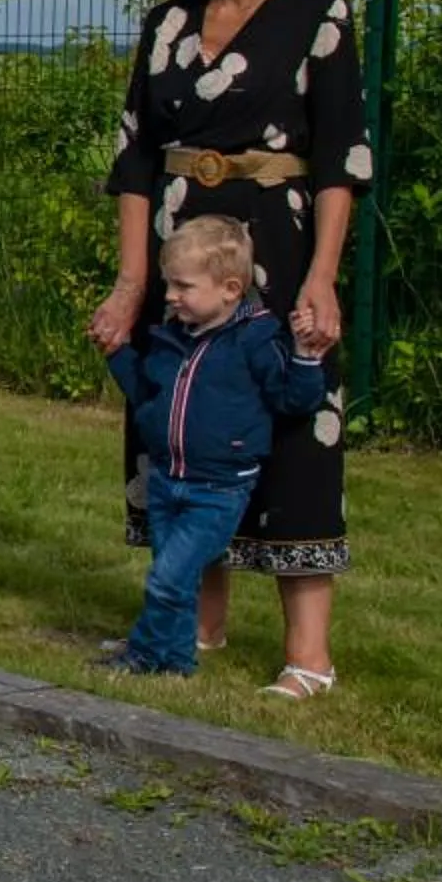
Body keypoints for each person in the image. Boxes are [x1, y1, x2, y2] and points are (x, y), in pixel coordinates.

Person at [88, 0, 371, 700]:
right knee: (181, 427)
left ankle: (308, 656)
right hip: (181, 257)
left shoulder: (319, 16)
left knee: (296, 428)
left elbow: (341, 160)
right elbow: (135, 160)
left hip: (277, 253)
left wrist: (322, 276)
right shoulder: (167, 25)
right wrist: (133, 283)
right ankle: (196, 624)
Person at [99, 218, 332, 674]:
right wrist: (117, 354)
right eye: (169, 284)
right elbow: (146, 393)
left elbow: (293, 400)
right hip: (167, 479)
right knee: (177, 580)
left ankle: (143, 655)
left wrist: (307, 358)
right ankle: (175, 662)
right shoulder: (172, 339)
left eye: (183, 286)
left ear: (230, 289)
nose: (170, 296)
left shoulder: (255, 340)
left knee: (167, 578)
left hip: (218, 490)